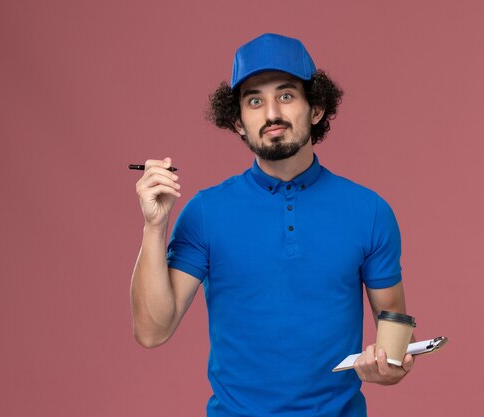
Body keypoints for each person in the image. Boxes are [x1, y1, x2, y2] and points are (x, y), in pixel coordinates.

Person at [131, 33, 415, 417]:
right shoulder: (205, 212)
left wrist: (388, 368)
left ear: (315, 108)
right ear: (238, 122)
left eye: (285, 96)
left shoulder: (370, 211)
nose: (271, 115)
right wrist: (154, 227)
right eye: (254, 101)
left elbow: (393, 339)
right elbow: (152, 332)